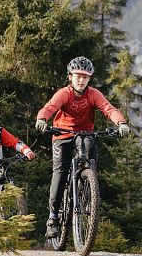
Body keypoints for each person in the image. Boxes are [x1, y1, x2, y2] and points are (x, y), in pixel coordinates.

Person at [35, 56, 130, 238]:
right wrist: (41, 119)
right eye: (78, 76)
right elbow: (50, 107)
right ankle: (53, 217)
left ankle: (86, 191)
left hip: (85, 134)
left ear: (89, 79)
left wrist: (121, 123)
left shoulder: (93, 94)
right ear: (70, 77)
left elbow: (108, 108)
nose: (81, 80)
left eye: (85, 77)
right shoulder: (64, 93)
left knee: (89, 160)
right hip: (62, 134)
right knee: (60, 172)